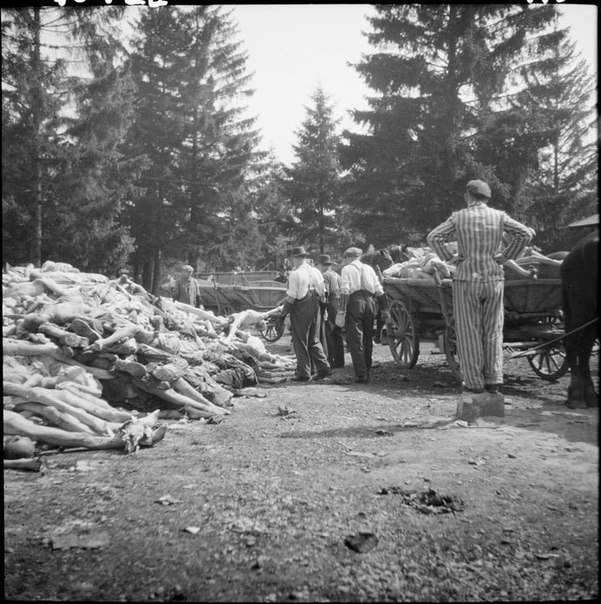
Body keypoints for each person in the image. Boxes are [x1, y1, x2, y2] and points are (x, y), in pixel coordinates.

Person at [426, 179, 533, 396]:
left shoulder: (459, 217)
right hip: (494, 278)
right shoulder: (499, 216)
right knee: (493, 331)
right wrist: (506, 256)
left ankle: (474, 382)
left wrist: (451, 258)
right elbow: (525, 234)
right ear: (487, 197)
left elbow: (433, 237)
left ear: (468, 196)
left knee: (468, 332)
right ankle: (494, 380)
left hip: (467, 279)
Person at [336, 247, 391, 384]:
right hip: (370, 302)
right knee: (367, 338)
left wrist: (341, 311)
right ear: (359, 256)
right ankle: (367, 370)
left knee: (355, 339)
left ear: (348, 257)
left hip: (355, 303)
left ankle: (361, 375)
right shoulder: (369, 269)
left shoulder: (346, 269)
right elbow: (379, 289)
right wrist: (385, 309)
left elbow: (345, 291)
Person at [281, 246, 332, 382]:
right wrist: (322, 309)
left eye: (292, 258)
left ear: (295, 258)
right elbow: (322, 292)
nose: (291, 261)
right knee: (314, 340)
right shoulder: (315, 270)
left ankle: (303, 373)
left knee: (300, 340)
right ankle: (324, 368)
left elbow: (291, 297)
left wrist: (283, 313)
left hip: (301, 307)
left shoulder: (295, 273)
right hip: (315, 305)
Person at [317, 253, 345, 369]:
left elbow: (326, 293)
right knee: (337, 332)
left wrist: (323, 308)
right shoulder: (337, 275)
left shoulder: (324, 276)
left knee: (328, 332)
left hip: (330, 304)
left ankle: (331, 359)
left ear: (321, 265)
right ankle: (340, 361)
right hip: (339, 303)